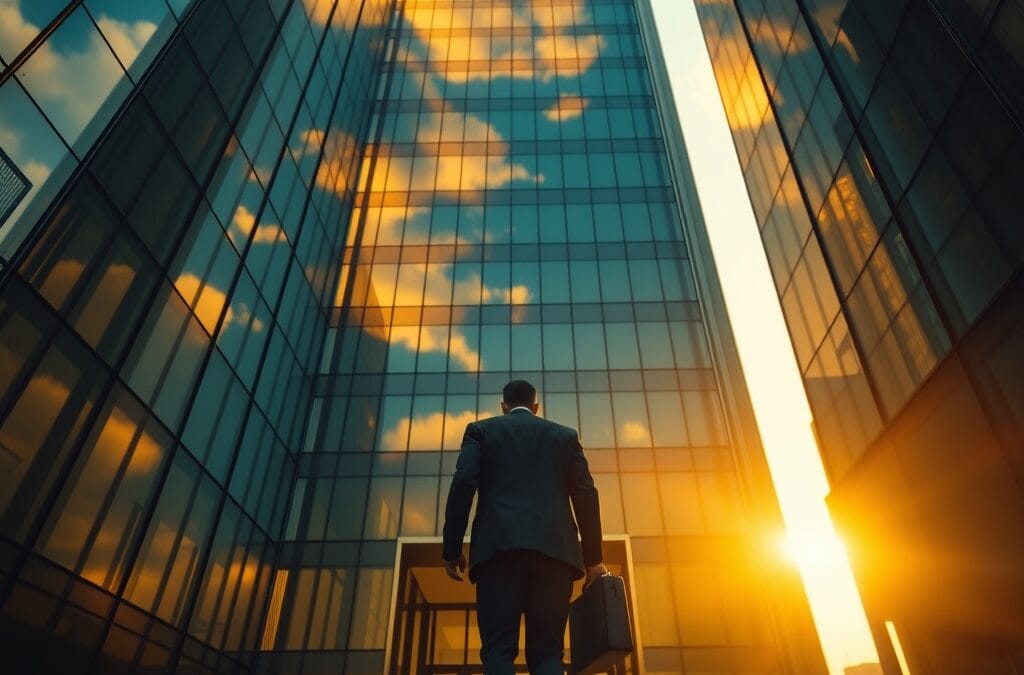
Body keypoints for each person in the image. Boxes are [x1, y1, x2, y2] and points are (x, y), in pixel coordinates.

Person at [442, 380, 606, 674]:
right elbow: (585, 494)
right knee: (548, 654)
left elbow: (464, 482)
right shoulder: (566, 437)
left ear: (503, 406)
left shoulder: (480, 431)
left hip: (497, 552)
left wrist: (452, 549)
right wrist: (594, 559)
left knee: (498, 651)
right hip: (555, 555)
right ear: (536, 407)